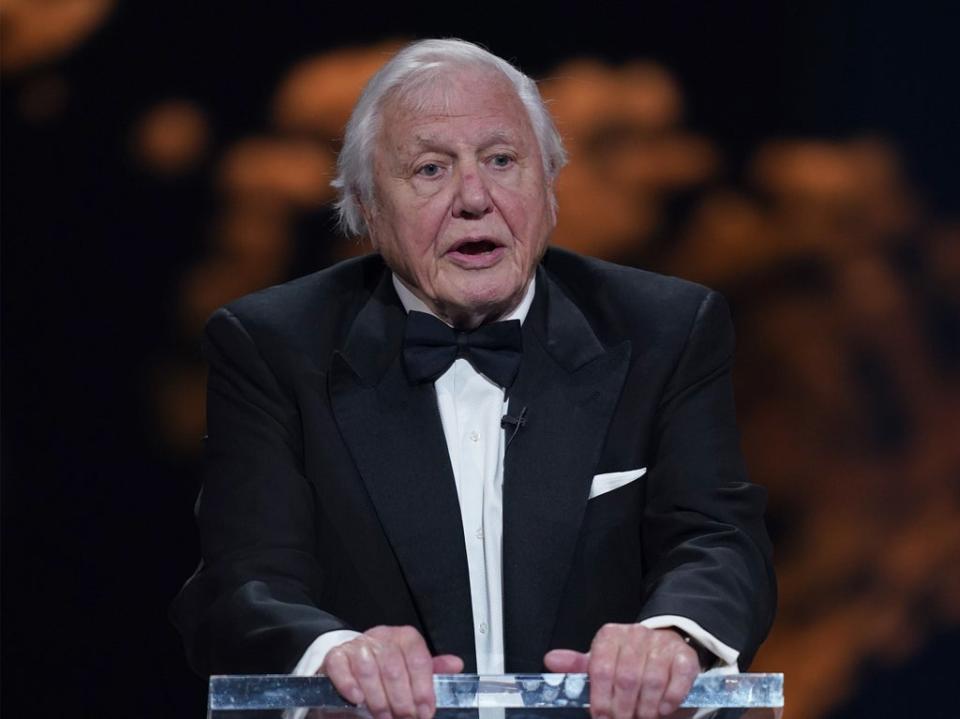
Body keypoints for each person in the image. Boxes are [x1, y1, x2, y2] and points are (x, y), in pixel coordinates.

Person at [172, 39, 776, 719]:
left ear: (548, 188)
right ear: (367, 209)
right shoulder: (273, 348)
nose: (474, 197)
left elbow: (718, 540)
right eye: (431, 168)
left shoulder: (666, 329)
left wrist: (670, 636)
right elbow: (243, 581)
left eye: (501, 160)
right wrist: (335, 651)